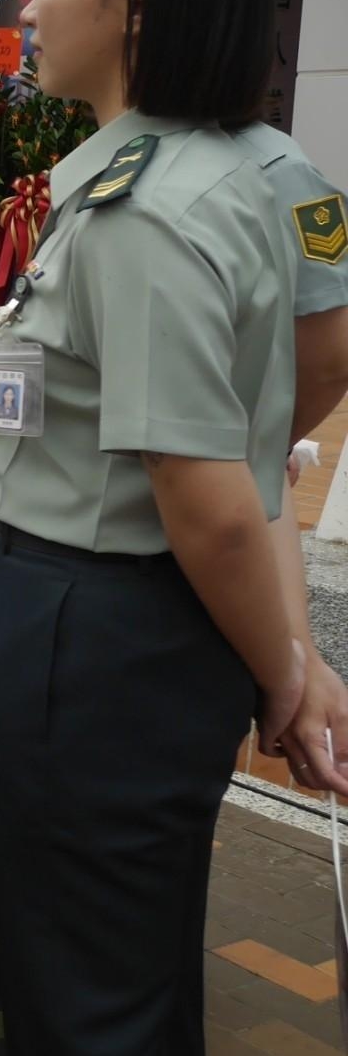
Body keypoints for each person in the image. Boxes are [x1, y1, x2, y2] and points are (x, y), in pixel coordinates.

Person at [0, 0, 301, 1056]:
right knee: (136, 996)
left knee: (81, 1028)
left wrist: (290, 672)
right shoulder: (208, 170)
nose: (29, 2)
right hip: (135, 634)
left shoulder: (150, 208)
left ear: (140, 2)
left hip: (93, 639)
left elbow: (211, 494)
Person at [237, 120, 348, 798]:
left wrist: (293, 662)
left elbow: (328, 357)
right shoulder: (99, 165)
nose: (31, 7)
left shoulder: (283, 172)